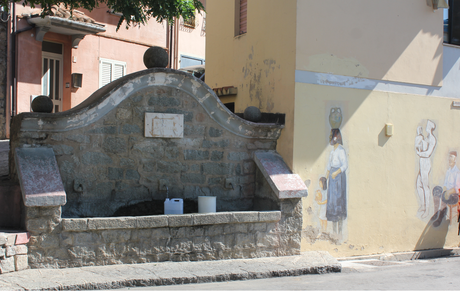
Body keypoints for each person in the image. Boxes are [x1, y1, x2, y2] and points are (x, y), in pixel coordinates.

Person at [326, 128, 348, 235]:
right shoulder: (332, 152)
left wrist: (336, 172)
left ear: (335, 137)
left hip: (339, 179)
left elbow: (344, 165)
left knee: (339, 203)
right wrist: (326, 177)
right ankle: (334, 232)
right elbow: (329, 167)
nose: (330, 137)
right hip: (332, 179)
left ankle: (340, 233)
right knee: (332, 204)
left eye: (331, 136)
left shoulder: (341, 151)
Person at [432, 151, 460, 227]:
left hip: (454, 196)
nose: (449, 159)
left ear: (455, 159)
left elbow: (457, 188)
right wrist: (443, 190)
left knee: (444, 194)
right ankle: (436, 213)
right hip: (447, 193)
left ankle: (440, 217)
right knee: (436, 189)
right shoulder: (448, 171)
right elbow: (445, 185)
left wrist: (448, 192)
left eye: (451, 157)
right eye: (449, 157)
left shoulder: (457, 172)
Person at [416, 120, 437, 218]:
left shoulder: (432, 138)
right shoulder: (427, 138)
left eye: (428, 124)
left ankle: (427, 210)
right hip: (421, 161)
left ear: (431, 127)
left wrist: (420, 154)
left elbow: (428, 153)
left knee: (425, 186)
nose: (426, 126)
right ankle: (423, 206)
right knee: (418, 185)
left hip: (425, 162)